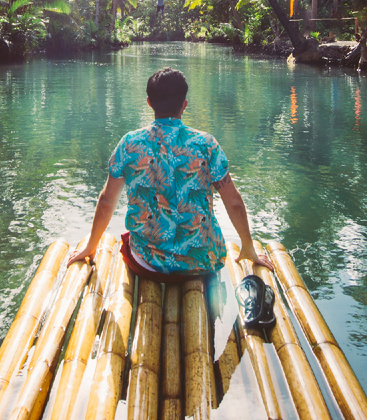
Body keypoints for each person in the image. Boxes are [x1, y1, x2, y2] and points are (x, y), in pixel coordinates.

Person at [68, 67, 273, 279]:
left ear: (149, 103)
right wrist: (248, 246)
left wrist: (90, 247)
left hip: (146, 263)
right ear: (184, 105)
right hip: (202, 262)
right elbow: (234, 202)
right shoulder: (206, 144)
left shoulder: (129, 143)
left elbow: (106, 201)